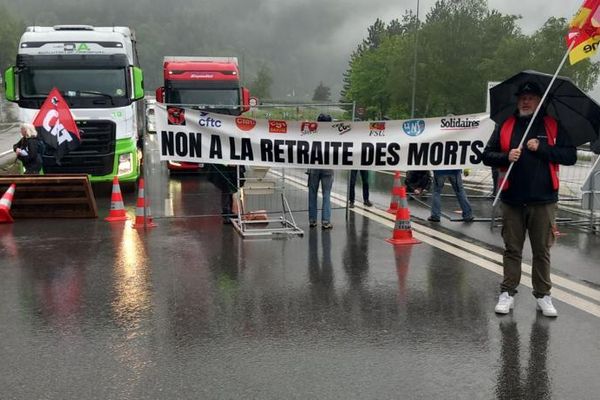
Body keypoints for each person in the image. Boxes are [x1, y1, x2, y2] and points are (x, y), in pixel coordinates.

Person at [482, 80, 577, 317]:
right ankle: (507, 292)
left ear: (539, 101)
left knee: (541, 250)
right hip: (512, 198)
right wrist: (506, 156)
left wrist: (542, 148)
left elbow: (570, 156)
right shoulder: (506, 125)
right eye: (522, 97)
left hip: (543, 200)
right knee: (512, 249)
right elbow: (487, 156)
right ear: (518, 100)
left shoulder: (552, 125)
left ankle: (543, 295)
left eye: (531, 97)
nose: (526, 101)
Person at [308, 114, 334, 229]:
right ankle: (326, 221)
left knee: (312, 193)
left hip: (314, 166)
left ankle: (313, 220)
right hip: (328, 167)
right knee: (326, 194)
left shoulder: (312, 133)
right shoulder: (334, 135)